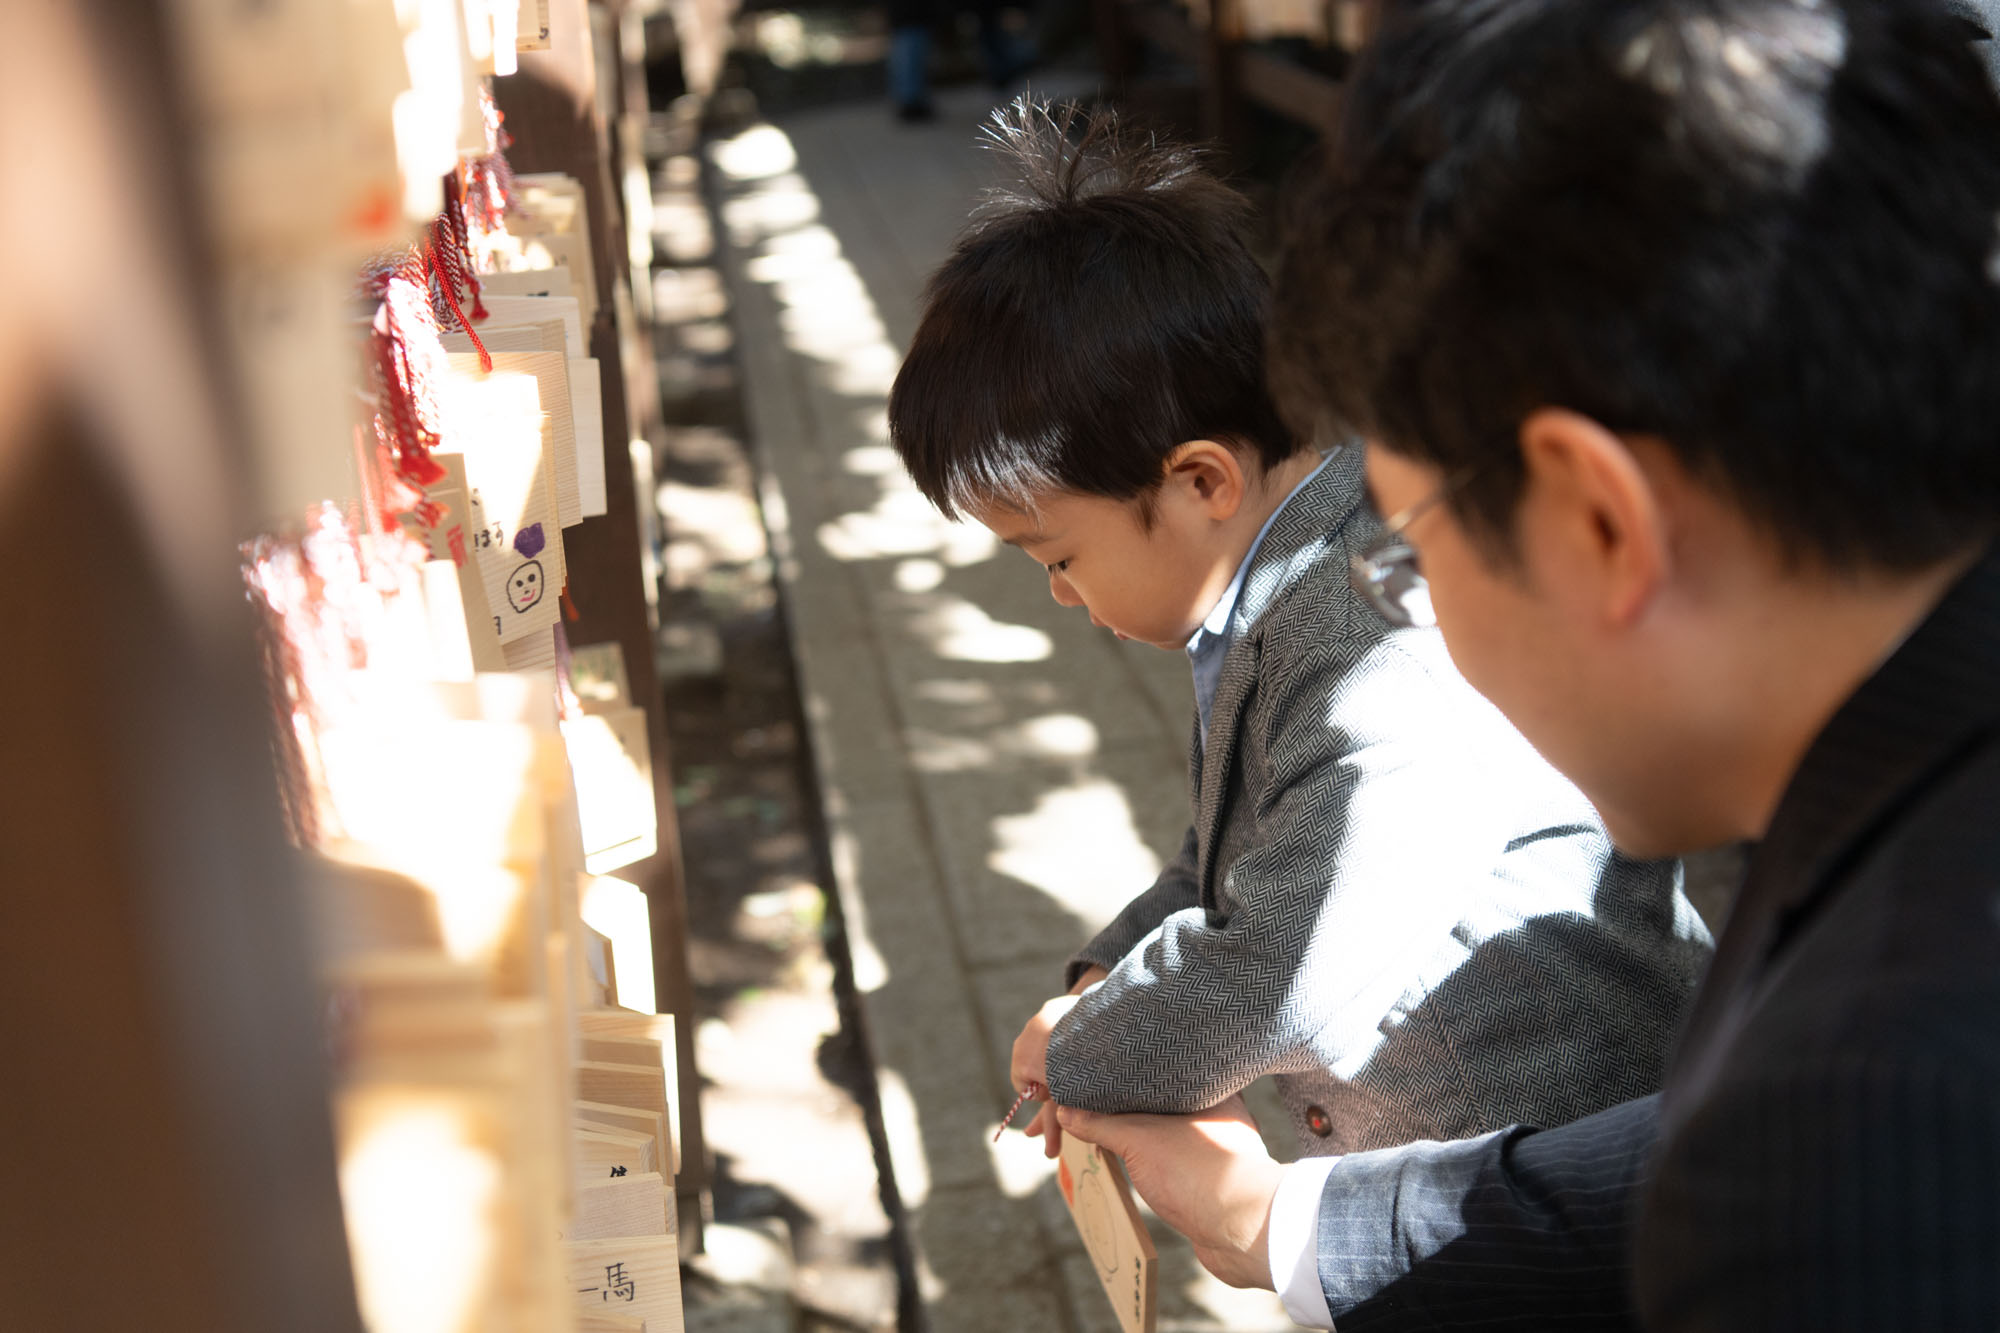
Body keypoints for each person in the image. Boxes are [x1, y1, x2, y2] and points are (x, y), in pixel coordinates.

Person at [1055, 0, 2000, 1327]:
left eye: (1415, 558)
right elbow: (1690, 1150)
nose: (1409, 603)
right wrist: (1291, 1221)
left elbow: (1770, 1163)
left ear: (1596, 520)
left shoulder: (1860, 1142)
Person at [886, 98, 1714, 1175]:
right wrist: (1109, 974)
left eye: (1057, 557)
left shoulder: (1381, 647)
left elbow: (1281, 971)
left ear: (1198, 481)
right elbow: (1224, 861)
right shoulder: (1264, 593)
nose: (1056, 595)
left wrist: (1079, 1044)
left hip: (1566, 1161)